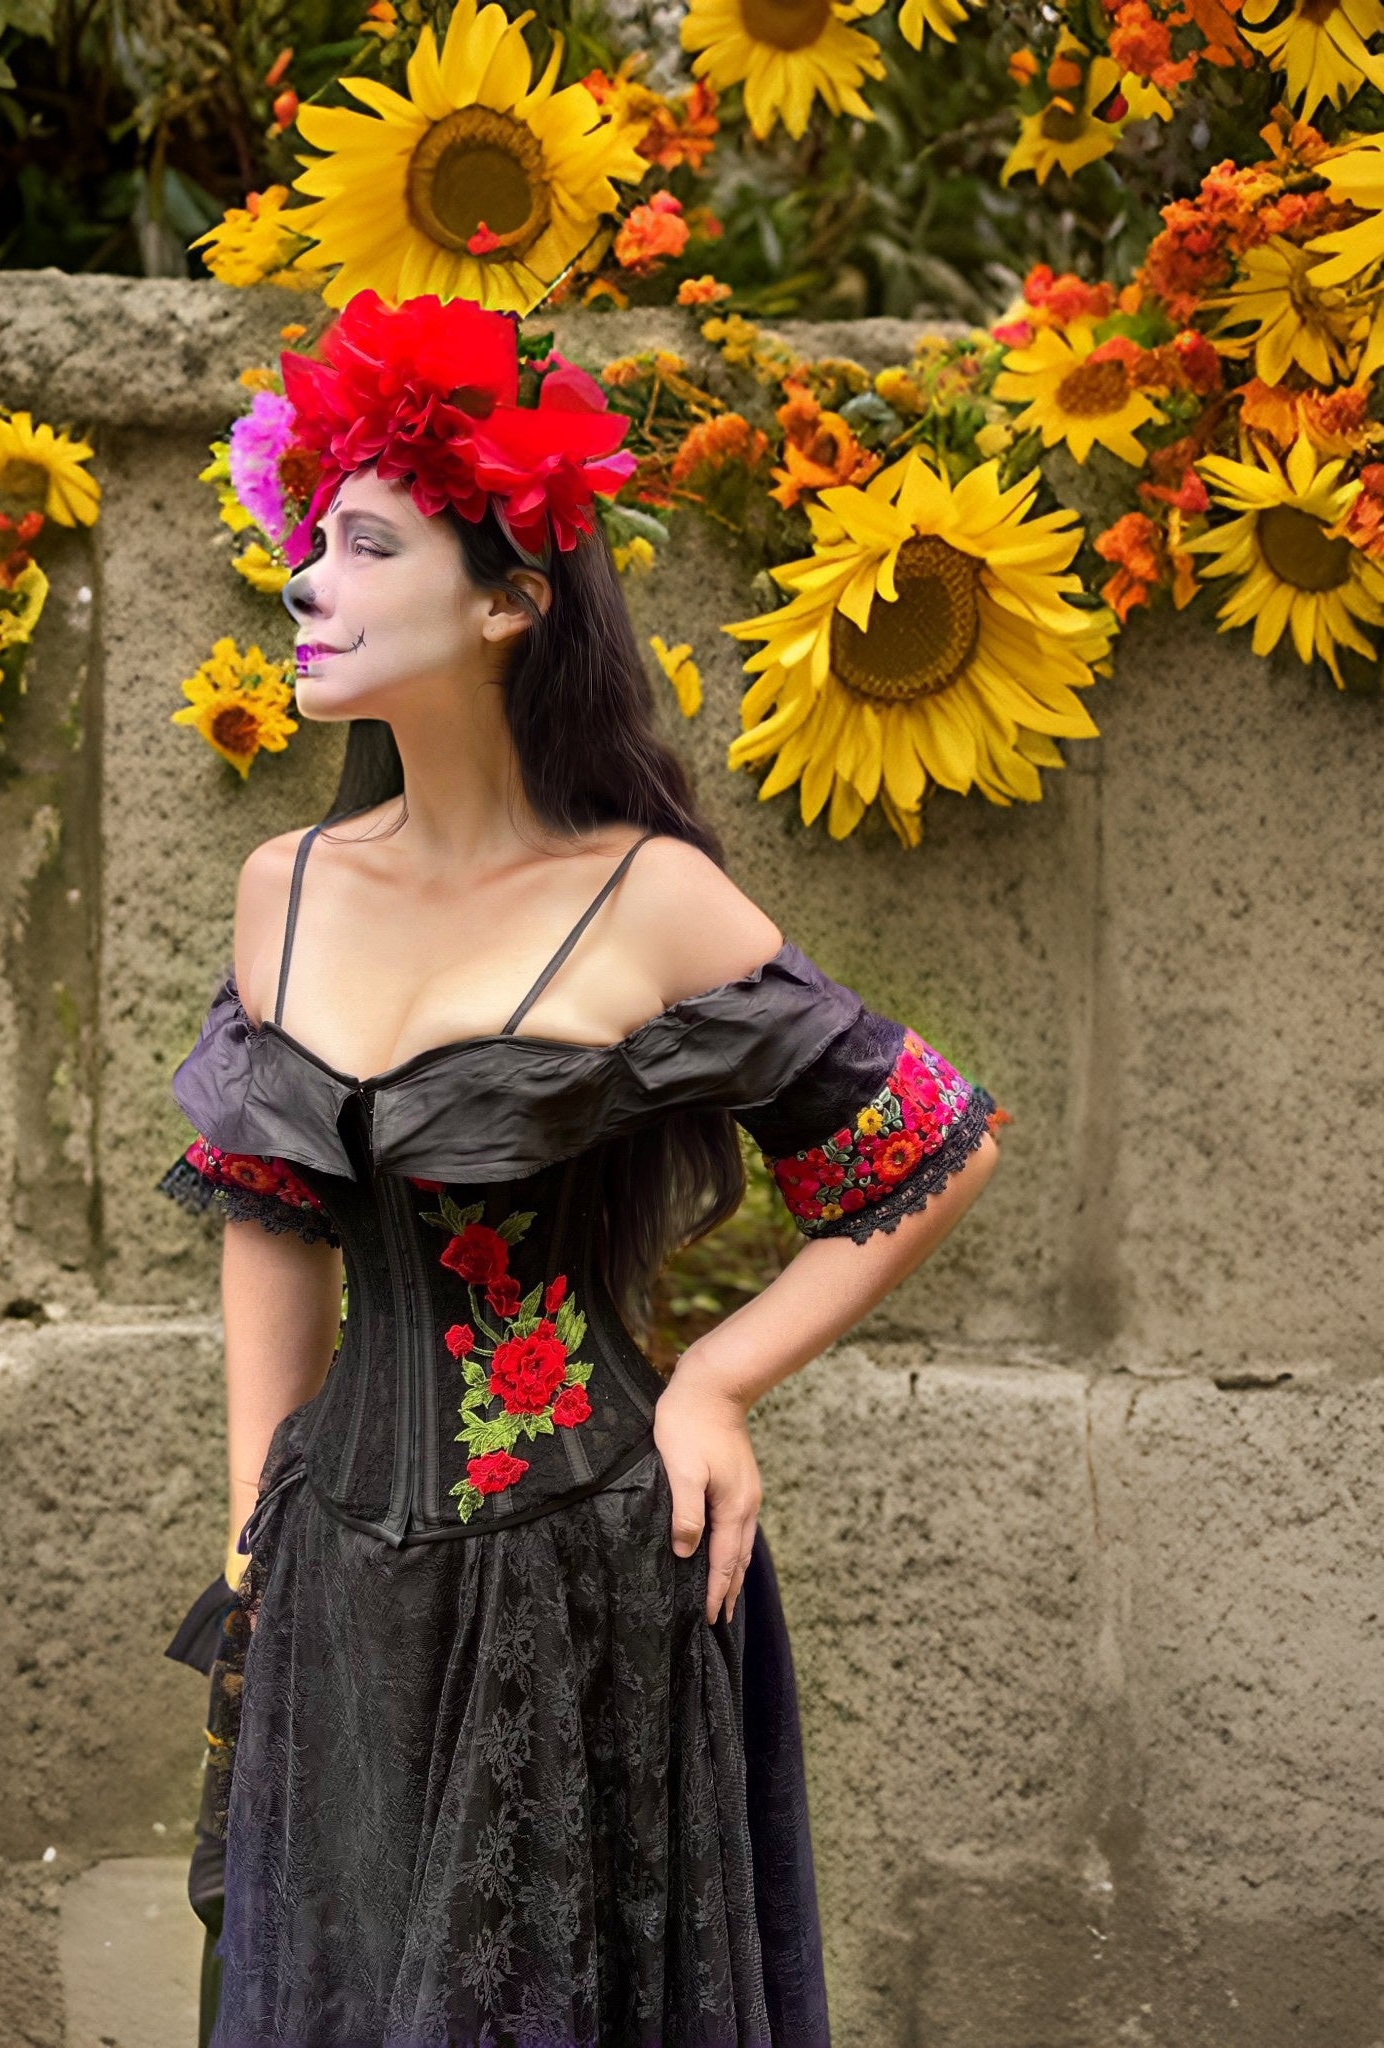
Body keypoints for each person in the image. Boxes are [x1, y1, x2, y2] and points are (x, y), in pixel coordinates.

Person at [158, 289, 1005, 2048]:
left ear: (508, 602)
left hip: (582, 1568)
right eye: (309, 538)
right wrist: (259, 1519)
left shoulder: (650, 896)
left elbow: (931, 1140)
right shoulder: (282, 888)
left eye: (365, 544)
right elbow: (271, 1213)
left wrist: (715, 1379)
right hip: (338, 1573)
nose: (306, 578)